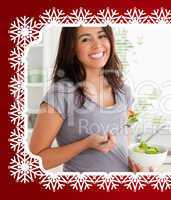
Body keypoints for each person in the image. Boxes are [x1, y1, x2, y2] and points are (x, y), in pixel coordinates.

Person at [29, 26, 144, 172]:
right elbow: (34, 161)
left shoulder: (123, 91)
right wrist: (85, 144)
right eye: (85, 39)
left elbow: (125, 135)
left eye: (102, 36)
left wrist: (132, 163)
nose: (97, 45)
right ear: (72, 47)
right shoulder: (60, 94)